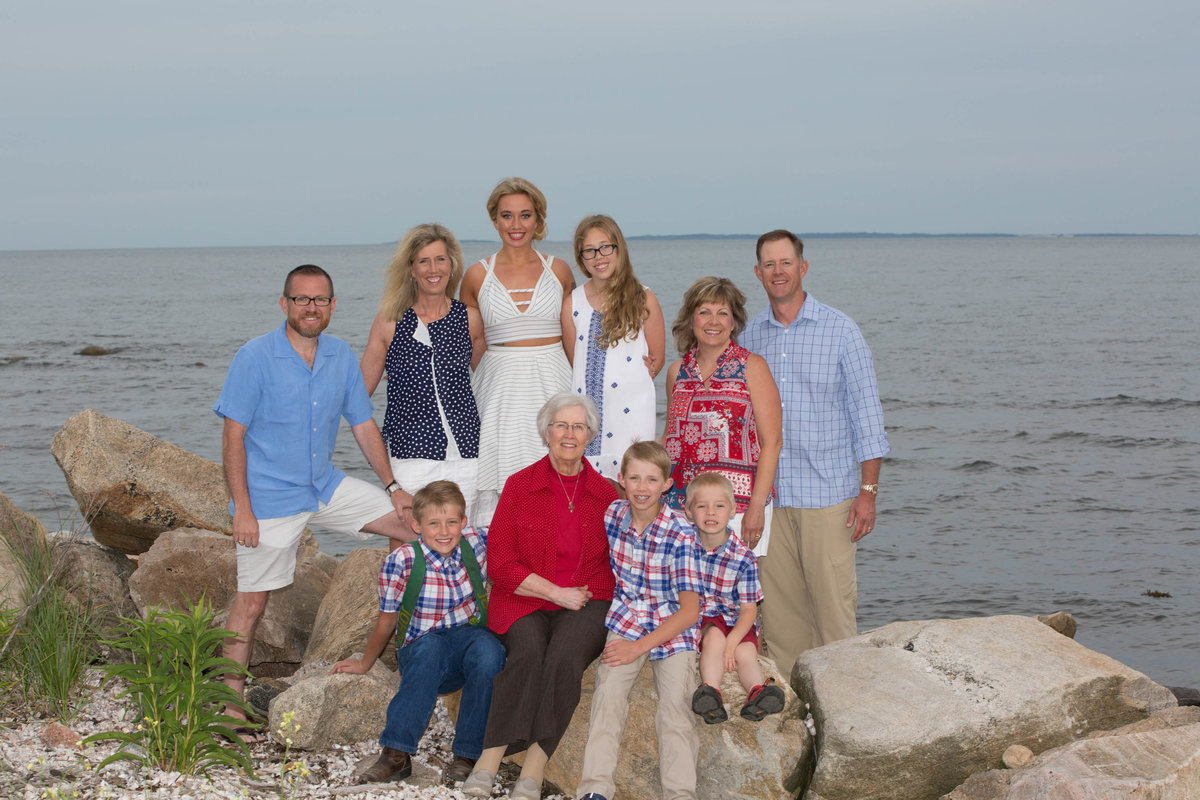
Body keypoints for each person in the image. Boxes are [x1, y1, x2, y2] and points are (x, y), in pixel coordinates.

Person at [212, 264, 415, 736]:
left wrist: (392, 487)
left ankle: (404, 650)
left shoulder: (340, 357)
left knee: (412, 528)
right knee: (251, 603)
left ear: (332, 306)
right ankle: (230, 709)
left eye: (320, 300)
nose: (311, 307)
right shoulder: (255, 357)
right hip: (269, 499)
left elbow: (362, 425)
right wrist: (242, 508)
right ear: (284, 303)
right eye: (301, 299)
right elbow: (232, 438)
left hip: (323, 486)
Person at [740, 229, 891, 676]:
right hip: (770, 501)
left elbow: (868, 416)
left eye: (786, 262)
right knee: (782, 623)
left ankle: (845, 714)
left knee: (834, 618)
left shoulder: (840, 330)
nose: (778, 272)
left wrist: (868, 492)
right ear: (758, 273)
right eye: (769, 264)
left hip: (828, 497)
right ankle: (795, 724)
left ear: (803, 267)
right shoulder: (750, 337)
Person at [463, 394, 617, 800]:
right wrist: (555, 592)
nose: (569, 434)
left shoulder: (606, 495)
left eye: (578, 427)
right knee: (528, 653)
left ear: (590, 437)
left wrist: (574, 597)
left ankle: (533, 767)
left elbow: (622, 559)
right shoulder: (519, 485)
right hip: (524, 598)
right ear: (546, 432)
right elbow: (499, 563)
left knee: (564, 659)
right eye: (561, 425)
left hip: (588, 599)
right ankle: (490, 757)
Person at [330, 481, 505, 786]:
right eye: (433, 523)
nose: (444, 531)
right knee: (430, 651)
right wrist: (365, 663)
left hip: (467, 640)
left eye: (452, 522)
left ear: (464, 521)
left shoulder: (476, 542)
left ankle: (467, 754)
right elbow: (387, 621)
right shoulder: (402, 562)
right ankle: (396, 754)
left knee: (490, 651)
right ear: (416, 525)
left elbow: (519, 533)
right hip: (423, 648)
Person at [576, 440, 703, 800]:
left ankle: (679, 793)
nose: (642, 488)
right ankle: (595, 789)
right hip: (628, 616)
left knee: (675, 708)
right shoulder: (613, 515)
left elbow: (690, 611)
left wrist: (638, 649)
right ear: (622, 480)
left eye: (651, 480)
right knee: (608, 696)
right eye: (634, 479)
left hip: (672, 623)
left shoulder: (681, 532)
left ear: (666, 484)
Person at [460, 177, 574, 526]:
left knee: (556, 465)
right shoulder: (477, 275)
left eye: (525, 215)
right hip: (498, 386)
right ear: (495, 220)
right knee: (499, 473)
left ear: (538, 219)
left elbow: (578, 330)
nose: (516, 225)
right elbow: (471, 340)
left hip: (553, 378)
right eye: (507, 216)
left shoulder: (559, 269)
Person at [361, 224, 486, 521]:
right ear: (411, 269)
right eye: (424, 261)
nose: (434, 269)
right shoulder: (390, 321)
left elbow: (487, 385)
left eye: (441, 259)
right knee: (408, 543)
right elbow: (357, 396)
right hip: (410, 454)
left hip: (468, 454)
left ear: (452, 264)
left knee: (468, 546)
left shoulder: (469, 319)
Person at [662, 277, 782, 557]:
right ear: (691, 319)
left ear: (734, 322)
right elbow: (671, 438)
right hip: (683, 506)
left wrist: (756, 507)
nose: (713, 321)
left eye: (722, 313)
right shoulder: (676, 372)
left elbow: (773, 442)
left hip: (736, 507)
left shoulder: (752, 367)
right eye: (704, 312)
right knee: (687, 591)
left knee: (735, 594)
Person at [561, 214, 665, 480]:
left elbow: (656, 359)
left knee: (634, 478)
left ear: (618, 248)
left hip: (632, 409)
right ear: (581, 257)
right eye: (590, 251)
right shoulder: (573, 303)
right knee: (591, 485)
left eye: (606, 247)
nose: (599, 256)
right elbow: (576, 360)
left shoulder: (643, 298)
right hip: (590, 408)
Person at [684, 472, 783, 725]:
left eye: (719, 506)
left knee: (746, 651)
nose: (710, 513)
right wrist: (723, 643)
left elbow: (749, 610)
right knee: (715, 638)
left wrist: (733, 643)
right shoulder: (684, 548)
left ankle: (757, 692)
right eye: (702, 506)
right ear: (688, 511)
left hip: (736, 620)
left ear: (732, 511)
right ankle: (711, 691)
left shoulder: (743, 557)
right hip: (703, 618)